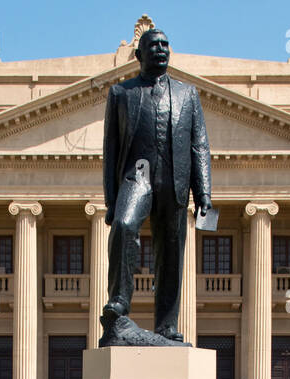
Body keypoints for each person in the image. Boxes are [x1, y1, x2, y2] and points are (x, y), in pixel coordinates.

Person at [100, 27, 212, 346]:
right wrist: (111, 201)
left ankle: (166, 324)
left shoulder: (188, 93)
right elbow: (111, 150)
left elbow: (199, 145)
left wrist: (203, 192)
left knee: (171, 254)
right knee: (123, 225)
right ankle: (119, 303)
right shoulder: (121, 93)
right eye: (153, 45)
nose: (161, 49)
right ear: (139, 55)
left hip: (174, 181)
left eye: (165, 45)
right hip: (138, 176)